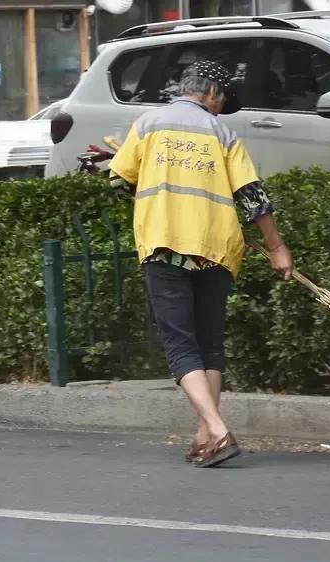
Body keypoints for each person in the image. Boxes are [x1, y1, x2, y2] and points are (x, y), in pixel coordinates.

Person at [109, 60, 294, 468]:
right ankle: (204, 436)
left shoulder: (148, 124)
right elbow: (253, 196)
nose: (221, 107)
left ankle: (218, 430)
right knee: (208, 342)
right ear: (211, 93)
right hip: (216, 247)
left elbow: (119, 182)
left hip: (165, 244)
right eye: (223, 100)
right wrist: (277, 247)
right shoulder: (221, 133)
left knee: (180, 343)